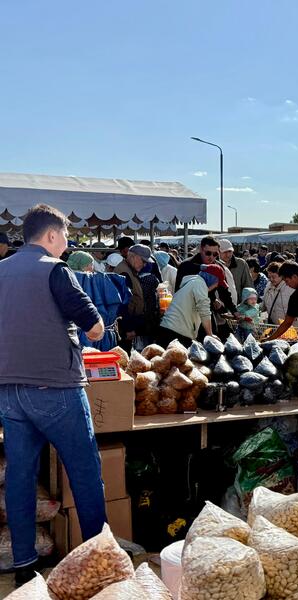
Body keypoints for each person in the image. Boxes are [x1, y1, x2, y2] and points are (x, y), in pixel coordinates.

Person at [0, 204, 106, 585]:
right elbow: (94, 328)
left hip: (9, 393)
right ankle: (100, 556)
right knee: (85, 472)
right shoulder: (56, 270)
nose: (66, 242)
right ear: (49, 236)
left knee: (20, 477)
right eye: (64, 236)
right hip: (57, 389)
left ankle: (24, 567)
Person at [175, 236, 239, 335]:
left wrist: (234, 310)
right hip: (187, 313)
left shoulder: (218, 267)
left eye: (215, 254)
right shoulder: (186, 266)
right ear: (201, 249)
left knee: (211, 341)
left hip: (207, 312)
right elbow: (179, 291)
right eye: (208, 253)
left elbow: (224, 291)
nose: (211, 257)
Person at [157, 265, 222, 347]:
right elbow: (204, 309)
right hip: (176, 333)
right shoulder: (200, 284)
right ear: (212, 279)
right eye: (217, 283)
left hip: (170, 329)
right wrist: (210, 334)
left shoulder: (193, 282)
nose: (216, 286)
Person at [114, 244, 159, 349]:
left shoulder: (128, 270)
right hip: (125, 327)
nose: (144, 265)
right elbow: (122, 304)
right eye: (143, 261)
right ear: (133, 256)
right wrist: (129, 329)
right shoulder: (124, 272)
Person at [219, 239, 251, 303]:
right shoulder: (215, 265)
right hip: (220, 305)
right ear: (218, 252)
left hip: (239, 305)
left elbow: (248, 284)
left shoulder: (241, 264)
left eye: (230, 251)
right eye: (225, 252)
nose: (228, 255)